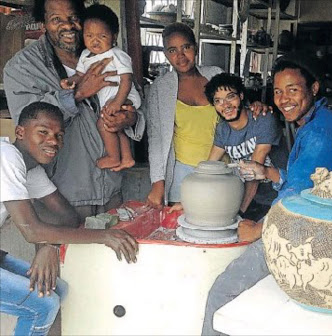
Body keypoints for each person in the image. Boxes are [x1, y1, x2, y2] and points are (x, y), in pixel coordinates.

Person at [201, 52, 332, 335]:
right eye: (277, 91)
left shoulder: (319, 133)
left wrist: (259, 228)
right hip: (312, 219)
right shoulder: (315, 123)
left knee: (221, 294)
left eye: (293, 90)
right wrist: (269, 174)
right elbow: (306, 181)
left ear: (314, 88)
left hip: (306, 230)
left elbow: (296, 196)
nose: (284, 98)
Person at [0, 102, 138, 336]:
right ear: (20, 132)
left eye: (59, 135)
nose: (53, 141)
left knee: (56, 288)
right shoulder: (6, 156)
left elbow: (69, 216)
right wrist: (104, 236)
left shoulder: (30, 170)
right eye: (43, 132)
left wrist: (51, 246)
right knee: (43, 304)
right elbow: (31, 231)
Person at [3, 0, 145, 221]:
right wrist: (77, 93)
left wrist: (130, 117)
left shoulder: (104, 52)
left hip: (112, 189)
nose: (67, 26)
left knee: (110, 252)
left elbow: (133, 100)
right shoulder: (22, 67)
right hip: (60, 195)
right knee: (58, 253)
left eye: (73, 18)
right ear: (43, 22)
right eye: (56, 19)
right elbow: (29, 131)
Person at [145, 23, 269, 210]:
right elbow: (156, 139)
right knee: (185, 230)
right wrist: (158, 182)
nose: (180, 56)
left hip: (224, 167)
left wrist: (256, 107)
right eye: (172, 50)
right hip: (183, 174)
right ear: (166, 55)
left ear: (195, 47)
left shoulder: (214, 74)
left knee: (222, 222)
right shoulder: (159, 89)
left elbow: (237, 111)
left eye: (186, 47)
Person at [60, 4, 141, 170]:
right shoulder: (85, 55)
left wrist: (118, 102)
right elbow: (80, 75)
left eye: (102, 36)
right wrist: (70, 81)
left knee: (103, 123)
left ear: (113, 36)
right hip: (111, 98)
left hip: (123, 95)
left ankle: (113, 156)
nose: (95, 41)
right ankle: (126, 158)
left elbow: (127, 80)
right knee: (116, 125)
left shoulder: (117, 55)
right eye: (89, 35)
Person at [204, 73, 284, 221]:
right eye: (218, 101)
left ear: (241, 96)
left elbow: (253, 173)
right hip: (252, 200)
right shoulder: (223, 129)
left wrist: (239, 213)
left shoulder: (263, 120)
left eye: (230, 97)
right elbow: (209, 168)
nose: (226, 105)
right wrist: (187, 202)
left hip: (279, 198)